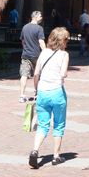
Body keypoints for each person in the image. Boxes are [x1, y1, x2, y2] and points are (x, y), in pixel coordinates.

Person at [29, 27, 70, 169]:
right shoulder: (64, 55)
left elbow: (36, 73)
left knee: (42, 125)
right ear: (63, 41)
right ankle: (56, 156)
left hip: (42, 92)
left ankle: (35, 150)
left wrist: (36, 89)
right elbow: (63, 74)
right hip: (57, 91)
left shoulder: (44, 52)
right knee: (59, 124)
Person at [19, 11, 46, 102]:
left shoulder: (25, 27)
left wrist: (26, 48)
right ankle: (36, 93)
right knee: (36, 74)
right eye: (40, 16)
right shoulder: (39, 28)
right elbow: (41, 41)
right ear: (35, 17)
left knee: (24, 75)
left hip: (25, 54)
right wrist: (45, 52)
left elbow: (22, 41)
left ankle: (22, 95)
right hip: (36, 55)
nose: (41, 17)